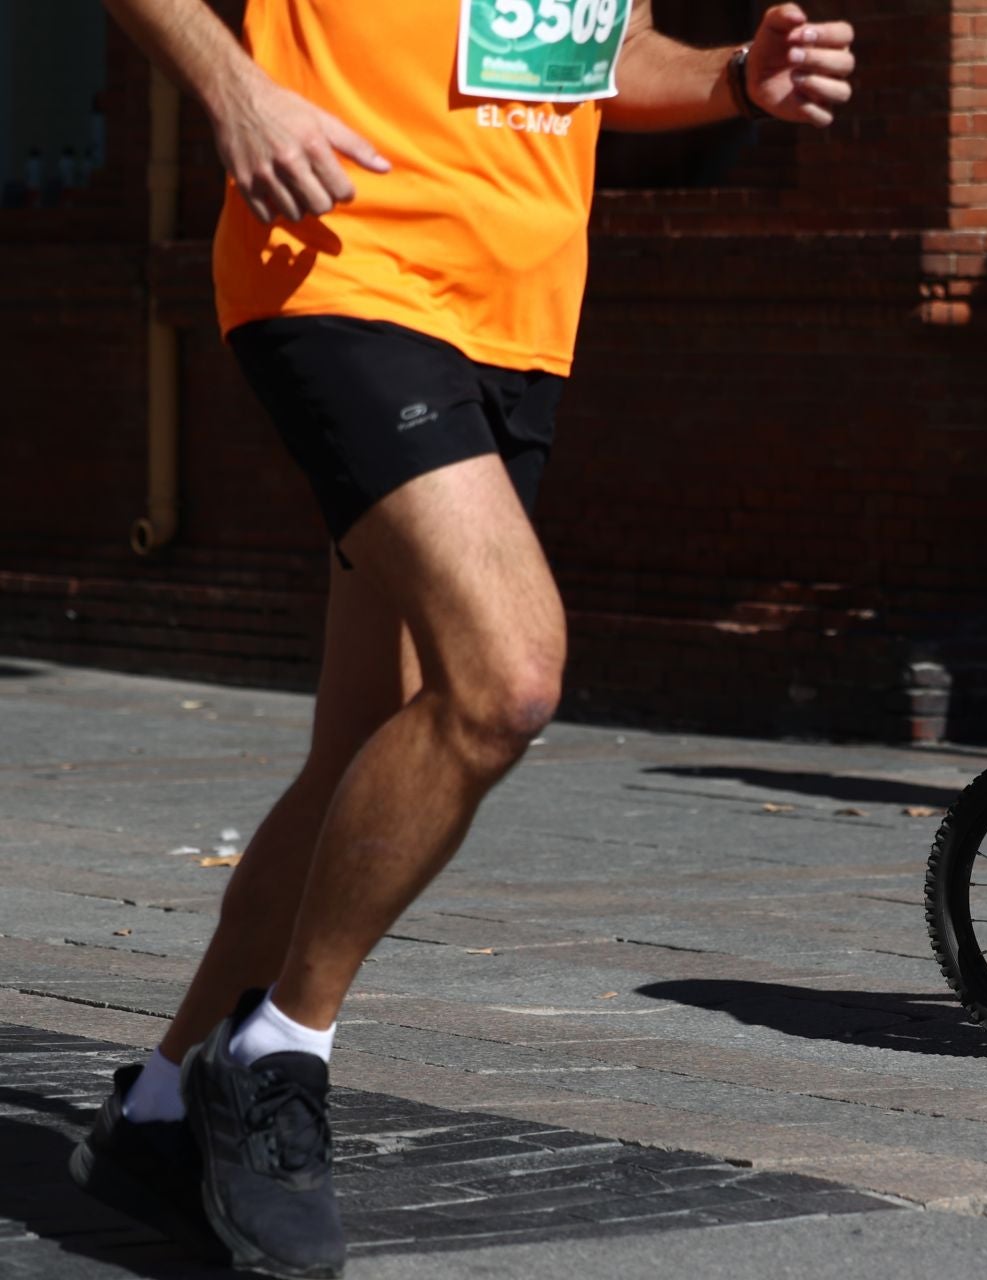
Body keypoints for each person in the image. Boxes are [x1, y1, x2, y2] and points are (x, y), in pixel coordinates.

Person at [73, 4, 855, 1276]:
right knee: (505, 674)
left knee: (364, 755)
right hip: (342, 265)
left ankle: (160, 1110)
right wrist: (232, 88)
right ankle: (279, 1050)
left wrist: (728, 80)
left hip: (517, 320)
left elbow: (589, 55)